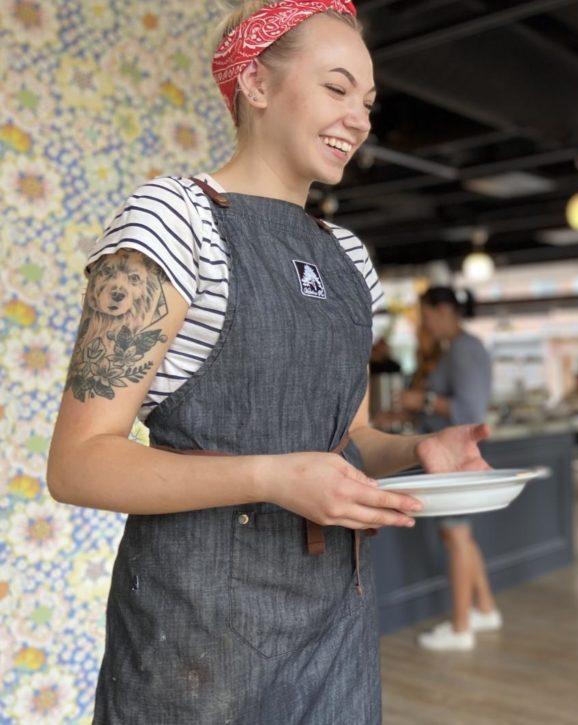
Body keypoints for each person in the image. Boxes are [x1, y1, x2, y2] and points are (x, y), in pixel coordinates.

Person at [46, 2, 489, 722]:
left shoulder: (347, 256)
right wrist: (271, 476)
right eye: (337, 88)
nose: (359, 118)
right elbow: (78, 463)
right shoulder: (172, 222)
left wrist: (418, 449)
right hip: (198, 635)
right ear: (255, 82)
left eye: (368, 103)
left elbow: (352, 438)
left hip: (337, 626)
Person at [398, 286, 501, 651]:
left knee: (455, 538)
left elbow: (470, 411)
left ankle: (461, 628)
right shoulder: (457, 349)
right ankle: (485, 608)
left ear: (442, 310)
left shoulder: (464, 350)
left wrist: (421, 399)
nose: (424, 324)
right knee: (461, 536)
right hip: (454, 458)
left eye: (425, 315)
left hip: (455, 458)